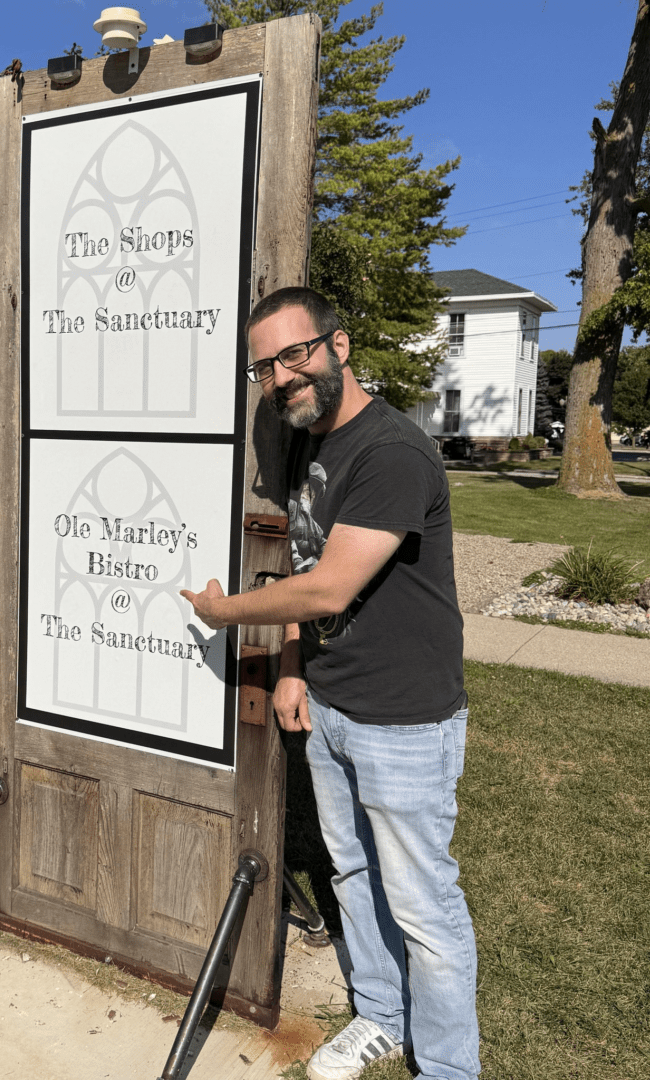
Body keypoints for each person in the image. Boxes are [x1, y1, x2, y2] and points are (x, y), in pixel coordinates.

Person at [180, 287, 479, 1080]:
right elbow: (301, 561)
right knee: (350, 871)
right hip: (334, 703)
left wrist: (223, 611)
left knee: (421, 900)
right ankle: (381, 1013)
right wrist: (289, 668)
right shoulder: (312, 441)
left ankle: (449, 1067)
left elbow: (325, 591)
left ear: (338, 346)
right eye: (265, 365)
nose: (281, 376)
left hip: (406, 717)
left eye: (295, 353)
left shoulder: (392, 453)